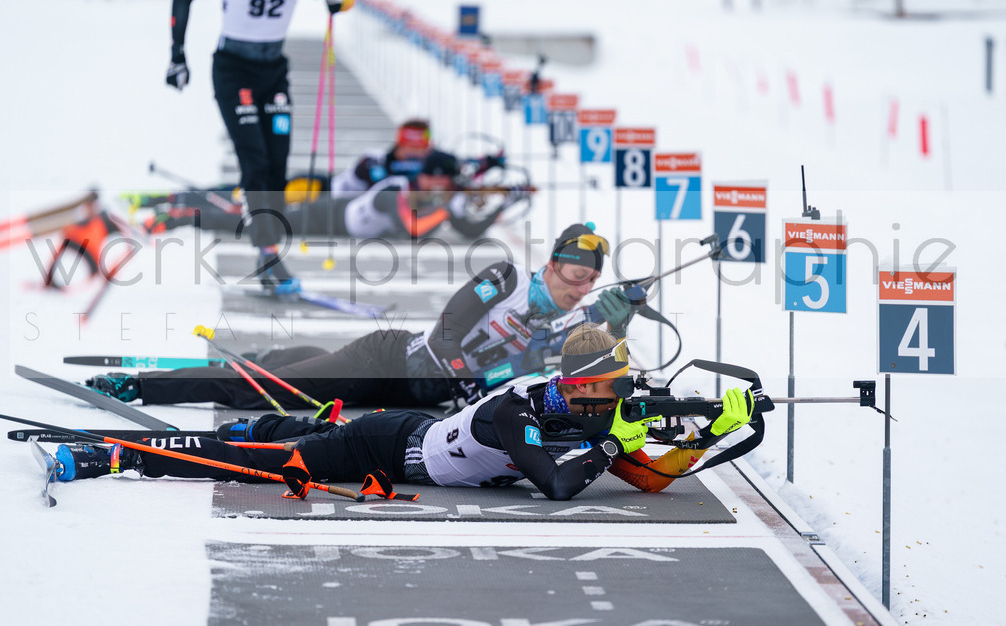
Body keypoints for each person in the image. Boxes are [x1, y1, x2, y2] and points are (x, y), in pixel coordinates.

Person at [52, 324, 757, 501]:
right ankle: (114, 454)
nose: (621, 398)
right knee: (259, 465)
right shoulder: (520, 412)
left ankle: (248, 424)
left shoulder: (583, 407)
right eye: (614, 388)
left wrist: (716, 426)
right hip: (381, 449)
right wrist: (609, 448)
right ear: (578, 388)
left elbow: (655, 477)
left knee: (281, 432)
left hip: (405, 435)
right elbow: (559, 485)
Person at [85, 223, 637, 410]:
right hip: (390, 362)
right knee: (271, 392)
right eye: (572, 275)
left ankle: (264, 358)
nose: (580, 287)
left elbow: (585, 370)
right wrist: (467, 381)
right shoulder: (510, 278)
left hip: (421, 398)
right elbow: (449, 326)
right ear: (551, 265)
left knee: (300, 365)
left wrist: (619, 325)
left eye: (590, 281)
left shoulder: (575, 322)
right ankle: (140, 387)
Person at [167, 0, 355, 294]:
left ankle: (268, 249)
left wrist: (337, 0)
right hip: (233, 71)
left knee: (276, 166)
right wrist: (177, 55)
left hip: (273, 73)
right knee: (254, 161)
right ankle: (269, 256)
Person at [139, 149, 531, 241]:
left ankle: (183, 208)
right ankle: (178, 211)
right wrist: (447, 207)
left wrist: (500, 206)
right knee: (247, 217)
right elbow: (415, 227)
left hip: (330, 214)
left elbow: (468, 228)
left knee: (248, 210)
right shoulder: (396, 192)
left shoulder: (428, 194)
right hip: (318, 214)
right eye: (442, 185)